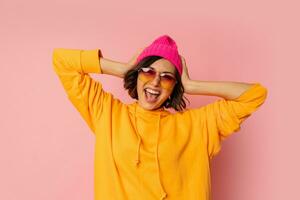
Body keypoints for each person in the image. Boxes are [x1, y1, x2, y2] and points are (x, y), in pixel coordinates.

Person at [52, 34, 268, 200]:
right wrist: (124, 68)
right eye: (147, 71)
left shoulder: (198, 126)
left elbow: (254, 95)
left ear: (174, 86)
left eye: (166, 77)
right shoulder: (107, 112)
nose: (155, 82)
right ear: (137, 75)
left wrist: (192, 85)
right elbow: (62, 61)